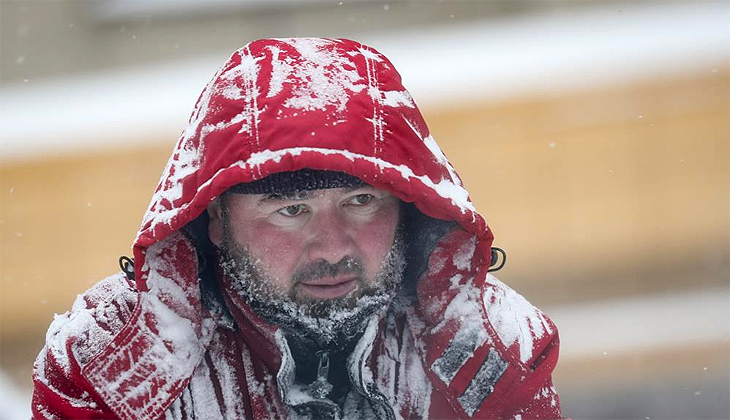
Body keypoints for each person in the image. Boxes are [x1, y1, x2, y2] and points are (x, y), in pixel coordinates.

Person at [32, 38, 562, 420]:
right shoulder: (110, 365)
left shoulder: (488, 346)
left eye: (360, 201)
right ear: (215, 218)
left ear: (408, 205)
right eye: (290, 210)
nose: (333, 246)